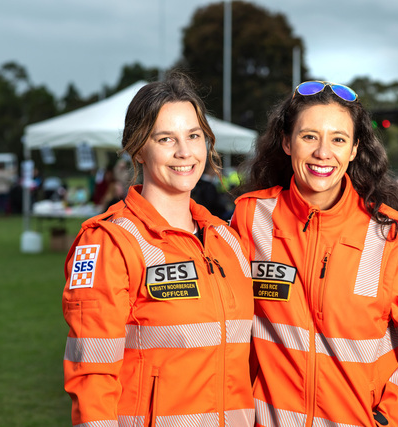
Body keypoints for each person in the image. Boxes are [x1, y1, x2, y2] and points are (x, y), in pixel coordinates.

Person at [231, 81, 398, 427]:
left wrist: (385, 420)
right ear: (286, 142)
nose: (323, 152)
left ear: (354, 149)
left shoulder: (393, 236)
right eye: (309, 136)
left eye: (338, 139)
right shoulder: (250, 216)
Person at [62, 73, 255, 427]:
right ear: (139, 149)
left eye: (193, 136)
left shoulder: (227, 240)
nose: (184, 152)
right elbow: (92, 375)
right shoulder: (109, 242)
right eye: (166, 139)